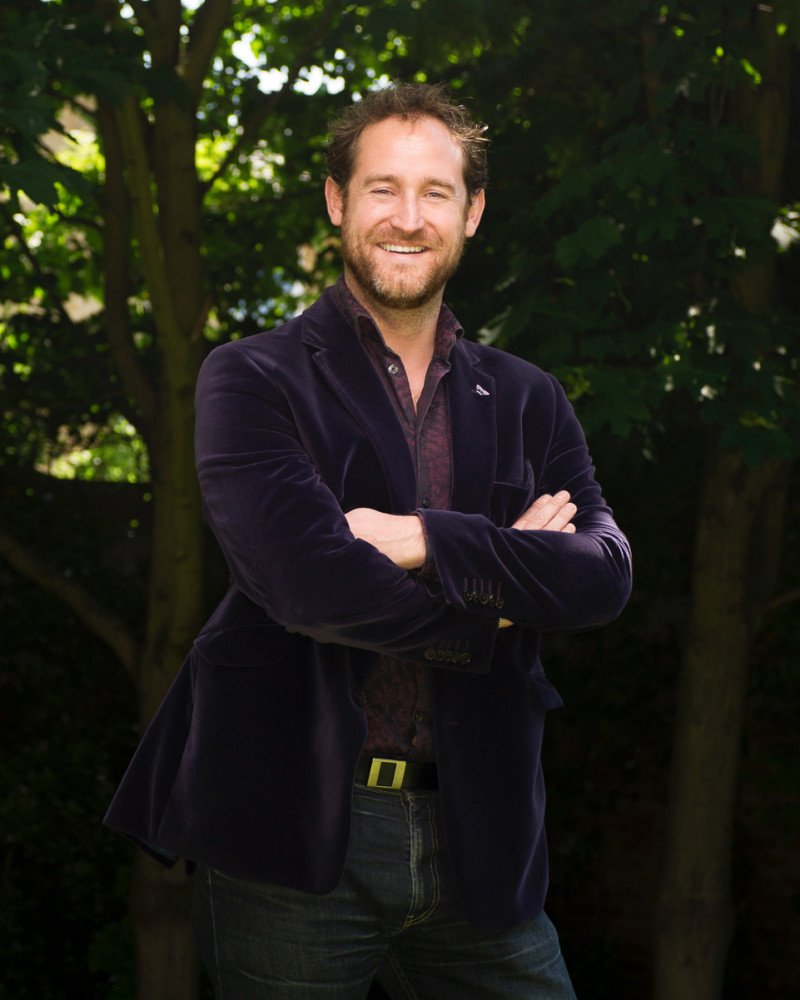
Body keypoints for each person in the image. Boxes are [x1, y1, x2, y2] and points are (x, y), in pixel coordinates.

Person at [105, 82, 632, 998]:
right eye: (383, 188)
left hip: (483, 837)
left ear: (472, 213)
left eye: (436, 193)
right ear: (336, 200)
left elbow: (603, 576)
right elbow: (309, 586)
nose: (408, 218)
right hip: (291, 829)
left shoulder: (527, 397)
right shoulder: (251, 377)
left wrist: (426, 538)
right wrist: (503, 601)